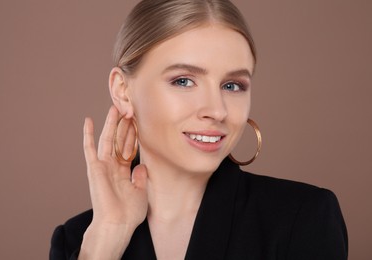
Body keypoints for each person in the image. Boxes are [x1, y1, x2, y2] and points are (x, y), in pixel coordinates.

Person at [49, 0, 348, 259]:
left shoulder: (303, 218)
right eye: (183, 81)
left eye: (233, 85)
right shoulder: (76, 240)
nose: (217, 110)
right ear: (123, 91)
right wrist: (106, 241)